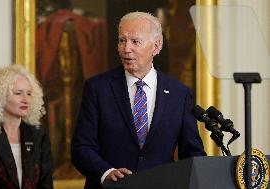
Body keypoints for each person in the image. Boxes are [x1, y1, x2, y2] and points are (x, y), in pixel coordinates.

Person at [71, 11, 206, 189]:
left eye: (135, 41)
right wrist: (106, 172)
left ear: (156, 47)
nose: (126, 49)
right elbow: (81, 147)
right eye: (122, 40)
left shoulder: (178, 93)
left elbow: (192, 153)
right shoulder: (98, 88)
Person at [0, 64, 53, 189]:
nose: (25, 99)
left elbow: (46, 182)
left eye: (29, 94)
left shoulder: (38, 134)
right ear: (0, 96)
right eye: (18, 93)